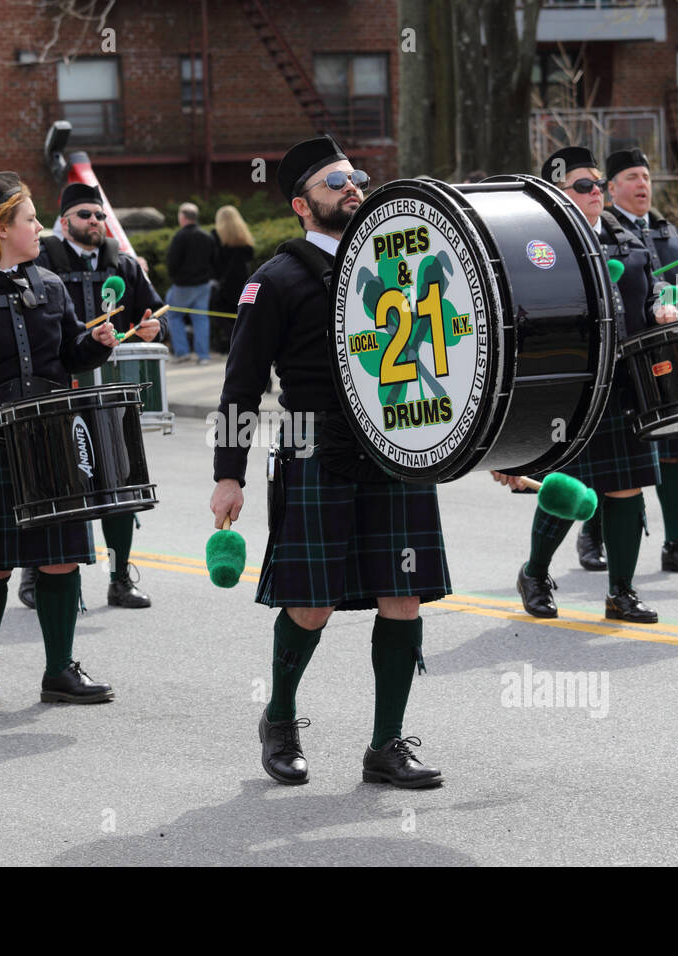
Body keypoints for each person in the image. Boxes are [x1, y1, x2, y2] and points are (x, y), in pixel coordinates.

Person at [211, 135, 449, 789]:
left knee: (403, 595)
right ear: (301, 204)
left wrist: (486, 448)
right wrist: (227, 475)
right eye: (334, 181)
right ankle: (281, 719)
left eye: (356, 177)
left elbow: (441, 367)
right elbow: (240, 387)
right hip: (316, 447)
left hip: (398, 444)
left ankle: (385, 746)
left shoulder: (398, 266)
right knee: (310, 603)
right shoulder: (276, 280)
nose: (353, 188)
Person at [0, 171, 159, 710]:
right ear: (2, 227)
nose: (39, 227)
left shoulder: (50, 284)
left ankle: (59, 671)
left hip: (51, 442)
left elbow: (67, 354)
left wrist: (94, 342)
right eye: (30, 219)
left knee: (60, 561)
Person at [508, 146, 678, 625]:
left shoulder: (630, 241)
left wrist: (660, 313)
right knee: (568, 488)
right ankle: (535, 573)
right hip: (572, 385)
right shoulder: (539, 249)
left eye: (598, 185)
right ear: (556, 195)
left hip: (624, 382)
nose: (595, 193)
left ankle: (620, 594)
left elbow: (647, 299)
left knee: (627, 487)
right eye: (581, 186)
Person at [22, 181, 165, 609]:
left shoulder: (122, 263)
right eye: (86, 215)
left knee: (119, 483)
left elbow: (152, 313)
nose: (96, 222)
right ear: (64, 221)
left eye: (100, 215)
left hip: (110, 391)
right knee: (55, 486)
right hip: (59, 386)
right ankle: (37, 574)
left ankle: (119, 578)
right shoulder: (40, 259)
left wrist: (156, 327)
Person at [603, 147, 678, 576]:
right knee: (614, 462)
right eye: (631, 177)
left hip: (668, 358)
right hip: (623, 361)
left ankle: (674, 542)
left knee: (674, 451)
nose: (642, 185)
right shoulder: (601, 232)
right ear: (611, 187)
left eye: (646, 177)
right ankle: (593, 535)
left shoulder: (669, 233)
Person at [164, 201, 215, 364]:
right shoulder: (206, 235)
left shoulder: (180, 236)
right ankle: (203, 355)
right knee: (201, 318)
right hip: (203, 284)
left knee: (173, 315)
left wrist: (174, 277)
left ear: (183, 217)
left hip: (183, 285)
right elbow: (214, 260)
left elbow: (172, 262)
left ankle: (182, 352)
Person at [208, 204, 254, 353]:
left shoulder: (215, 238)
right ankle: (244, 343)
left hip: (224, 287)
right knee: (241, 318)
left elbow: (213, 264)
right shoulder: (244, 240)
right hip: (242, 285)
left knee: (221, 317)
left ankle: (236, 344)